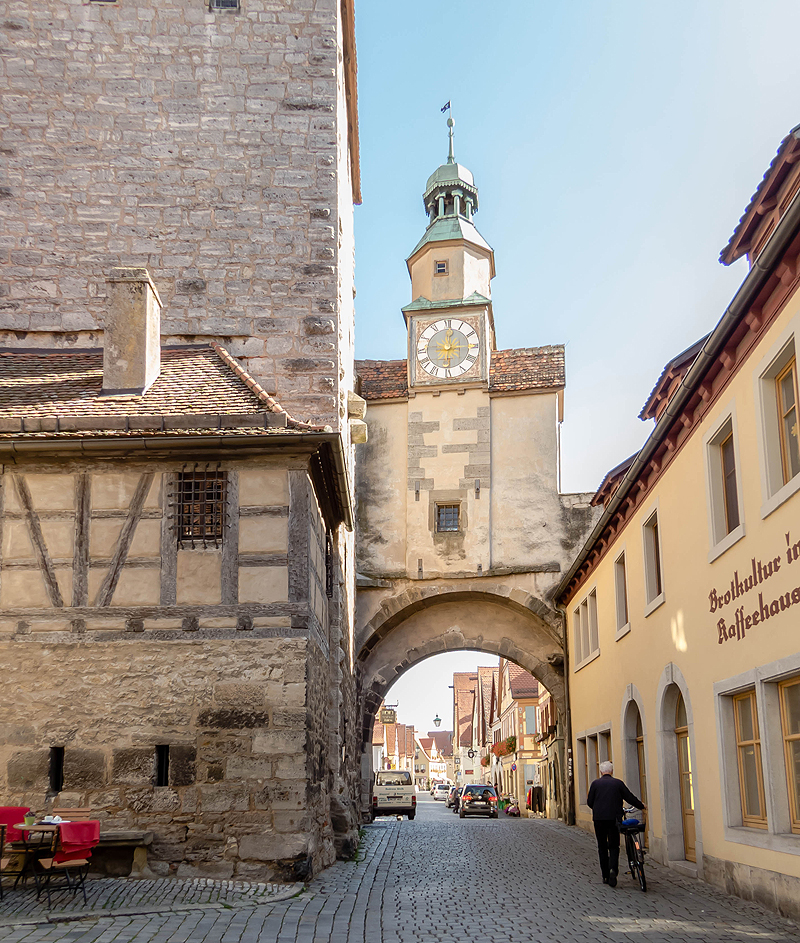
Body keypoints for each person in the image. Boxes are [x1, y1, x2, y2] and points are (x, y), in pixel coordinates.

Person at [587, 760, 645, 887]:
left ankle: (605, 875)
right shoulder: (618, 783)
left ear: (601, 772)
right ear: (612, 771)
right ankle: (613, 869)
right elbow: (629, 797)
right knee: (614, 846)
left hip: (599, 819)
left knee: (602, 846)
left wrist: (598, 809)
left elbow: (589, 802)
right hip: (614, 819)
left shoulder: (595, 784)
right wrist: (641, 806)